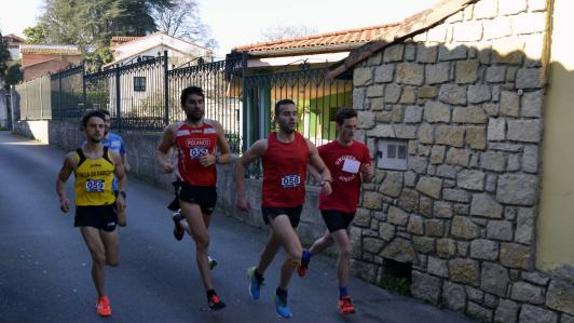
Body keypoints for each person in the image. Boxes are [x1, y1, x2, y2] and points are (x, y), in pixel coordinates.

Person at [235, 99, 332, 318]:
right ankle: (281, 292)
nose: (291, 117)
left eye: (294, 113)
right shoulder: (265, 144)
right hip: (273, 205)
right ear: (277, 118)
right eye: (286, 114)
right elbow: (240, 164)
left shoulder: (305, 144)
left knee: (273, 245)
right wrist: (241, 196)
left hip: (294, 205)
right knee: (296, 253)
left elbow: (324, 169)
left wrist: (327, 181)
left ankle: (257, 275)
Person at [157, 86, 231, 311]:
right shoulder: (175, 130)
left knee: (202, 237)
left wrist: (215, 158)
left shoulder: (214, 127)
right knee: (204, 240)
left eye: (200, 101)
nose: (197, 106)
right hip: (186, 188)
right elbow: (161, 151)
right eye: (192, 102)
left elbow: (228, 155)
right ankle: (211, 294)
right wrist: (166, 164)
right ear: (183, 105)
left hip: (208, 189)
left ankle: (180, 222)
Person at [297, 108, 373, 315]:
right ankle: (343, 297)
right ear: (339, 126)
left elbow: (367, 179)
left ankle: (306, 255)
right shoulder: (327, 150)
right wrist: (322, 179)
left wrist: (367, 174)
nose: (352, 131)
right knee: (346, 249)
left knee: (328, 240)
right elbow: (306, 162)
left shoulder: (361, 150)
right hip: (330, 204)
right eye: (348, 127)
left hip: (350, 206)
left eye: (355, 127)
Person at [56, 110, 127, 317]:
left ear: (105, 130)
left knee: (112, 260)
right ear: (84, 129)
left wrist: (121, 195)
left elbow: (122, 177)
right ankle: (102, 298)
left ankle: (100, 269)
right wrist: (63, 197)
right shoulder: (73, 158)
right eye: (93, 126)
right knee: (98, 256)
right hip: (86, 211)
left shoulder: (111, 156)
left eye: (101, 126)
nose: (97, 129)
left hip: (107, 208)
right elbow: (61, 179)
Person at [98, 109, 130, 227]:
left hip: (116, 186)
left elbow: (123, 152)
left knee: (122, 221)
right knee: (106, 224)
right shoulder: (93, 142)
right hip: (101, 188)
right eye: (103, 121)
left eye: (108, 121)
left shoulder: (117, 139)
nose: (106, 124)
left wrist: (125, 163)